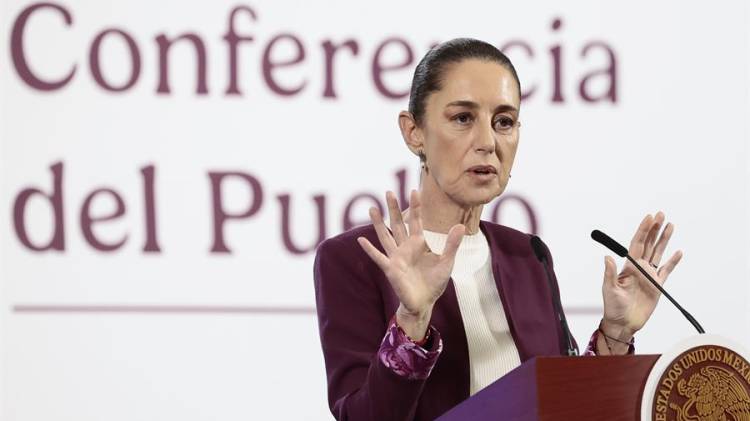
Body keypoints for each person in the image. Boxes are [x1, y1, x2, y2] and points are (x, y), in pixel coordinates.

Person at [313, 38, 683, 421]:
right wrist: (411, 322)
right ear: (414, 132)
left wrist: (615, 334)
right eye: (462, 118)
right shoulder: (354, 259)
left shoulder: (528, 256)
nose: (488, 142)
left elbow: (566, 405)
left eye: (504, 122)